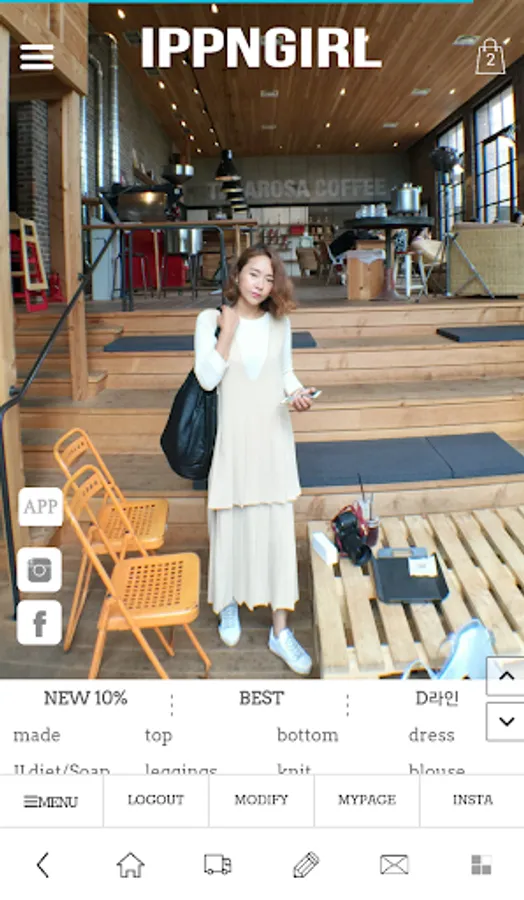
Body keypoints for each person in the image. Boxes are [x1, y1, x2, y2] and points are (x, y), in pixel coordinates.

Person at [194, 245, 317, 676]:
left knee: (276, 531)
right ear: (237, 274)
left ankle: (280, 631)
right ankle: (227, 601)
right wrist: (226, 333)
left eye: (268, 278)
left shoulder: (280, 323)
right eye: (253, 274)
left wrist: (297, 393)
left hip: (273, 438)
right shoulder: (210, 320)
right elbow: (207, 380)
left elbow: (285, 374)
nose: (260, 284)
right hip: (232, 439)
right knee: (230, 523)